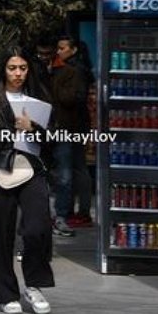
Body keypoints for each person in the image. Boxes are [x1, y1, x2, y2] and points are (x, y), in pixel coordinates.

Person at [0, 47, 54, 314]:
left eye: (22, 68)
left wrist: (33, 129)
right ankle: (6, 293)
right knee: (1, 235)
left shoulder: (39, 99)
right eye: (12, 68)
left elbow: (54, 137)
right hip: (0, 171)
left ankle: (34, 285)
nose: (18, 73)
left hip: (33, 169)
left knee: (38, 228)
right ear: (3, 70)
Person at [34, 32, 80, 238]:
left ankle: (60, 217)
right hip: (40, 130)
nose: (43, 57)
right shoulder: (34, 71)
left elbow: (69, 99)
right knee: (39, 175)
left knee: (64, 177)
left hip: (63, 130)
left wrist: (51, 79)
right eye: (40, 54)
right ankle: (42, 215)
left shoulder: (69, 72)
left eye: (47, 54)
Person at [56, 34, 94, 227]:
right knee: (77, 167)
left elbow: (73, 99)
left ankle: (75, 212)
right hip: (77, 125)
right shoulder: (80, 68)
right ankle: (80, 211)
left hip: (71, 126)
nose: (58, 52)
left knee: (72, 169)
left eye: (62, 48)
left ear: (73, 49)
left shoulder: (74, 70)